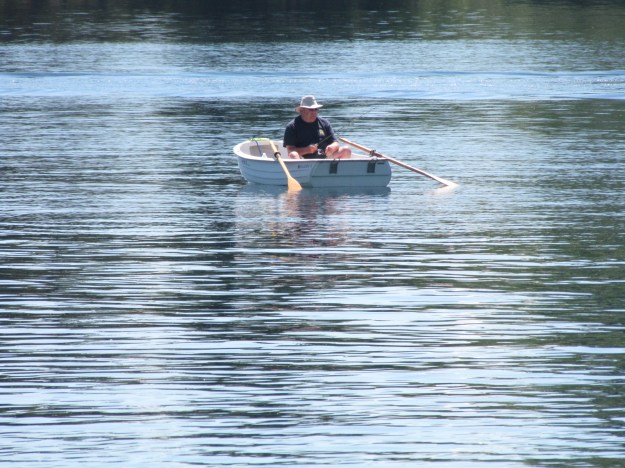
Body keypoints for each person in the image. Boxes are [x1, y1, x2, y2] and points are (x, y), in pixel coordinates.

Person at [283, 95, 351, 160]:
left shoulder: (325, 123)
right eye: (311, 109)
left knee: (346, 150)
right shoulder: (292, 126)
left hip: (326, 158)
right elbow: (290, 150)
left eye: (316, 109)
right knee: (293, 154)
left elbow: (335, 143)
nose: (314, 112)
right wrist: (307, 150)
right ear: (302, 110)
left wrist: (332, 147)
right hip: (303, 161)